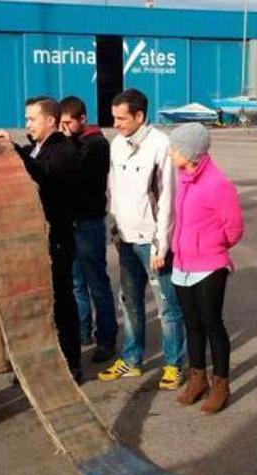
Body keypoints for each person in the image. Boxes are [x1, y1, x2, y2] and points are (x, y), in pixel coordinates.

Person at [97, 88, 186, 391]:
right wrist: (114, 227)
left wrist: (162, 245)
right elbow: (114, 189)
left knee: (166, 307)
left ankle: (174, 364)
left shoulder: (161, 146)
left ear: (139, 116)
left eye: (121, 118)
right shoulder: (116, 145)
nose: (116, 124)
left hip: (152, 243)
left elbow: (168, 199)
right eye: (114, 118)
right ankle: (131, 360)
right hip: (125, 239)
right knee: (130, 302)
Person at [0, 96, 82, 382]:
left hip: (56, 239)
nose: (27, 124)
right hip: (31, 237)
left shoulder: (64, 150)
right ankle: (36, 363)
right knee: (36, 304)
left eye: (32, 119)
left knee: (61, 301)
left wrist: (14, 149)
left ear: (51, 121)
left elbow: (46, 177)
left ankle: (70, 362)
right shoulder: (36, 148)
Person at [167, 123, 244, 415]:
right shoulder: (182, 176)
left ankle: (221, 383)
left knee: (212, 324)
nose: (171, 153)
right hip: (182, 264)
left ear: (189, 152)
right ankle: (197, 377)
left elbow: (234, 228)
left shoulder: (217, 183)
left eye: (174, 149)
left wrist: (211, 245)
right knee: (192, 324)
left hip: (209, 265)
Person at [59, 96, 118, 363]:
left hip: (89, 222)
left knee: (97, 283)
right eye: (60, 123)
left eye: (68, 123)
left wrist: (62, 141)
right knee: (75, 283)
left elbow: (74, 170)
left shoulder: (96, 144)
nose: (64, 128)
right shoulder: (74, 141)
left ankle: (106, 338)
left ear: (82, 119)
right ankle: (82, 331)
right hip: (71, 222)